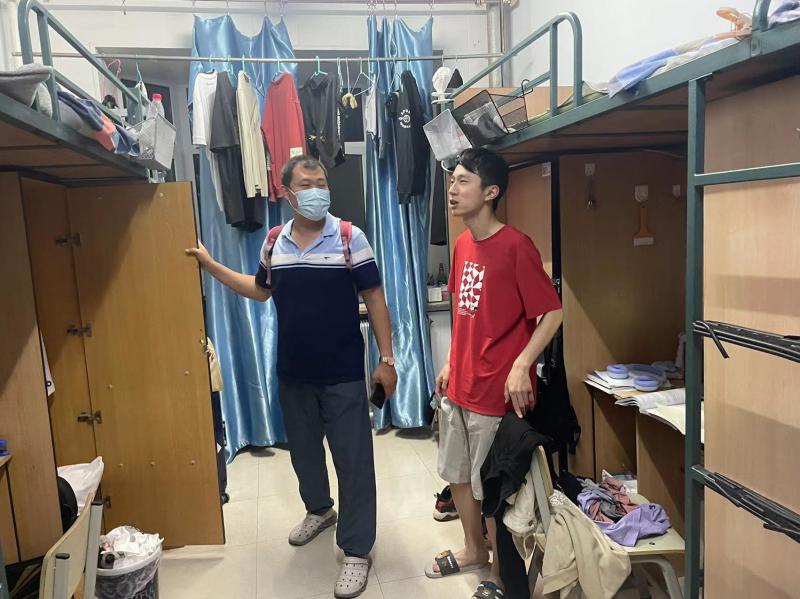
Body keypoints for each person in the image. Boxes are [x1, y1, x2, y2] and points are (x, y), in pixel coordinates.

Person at [186, 155, 397, 599]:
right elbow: (260, 291)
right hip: (293, 372)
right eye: (306, 184)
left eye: (322, 182)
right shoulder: (274, 241)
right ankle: (319, 510)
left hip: (342, 374)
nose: (317, 190)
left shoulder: (349, 237)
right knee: (303, 455)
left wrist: (387, 359)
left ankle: (356, 549)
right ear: (287, 193)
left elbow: (375, 298)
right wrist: (211, 265)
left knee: (354, 463)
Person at [425, 148, 563, 599]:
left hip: (494, 392)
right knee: (458, 476)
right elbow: (464, 312)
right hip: (460, 385)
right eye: (452, 180)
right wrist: (450, 361)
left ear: (490, 192)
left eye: (463, 180)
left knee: (493, 488)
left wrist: (522, 364)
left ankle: (501, 574)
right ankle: (473, 550)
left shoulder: (516, 246)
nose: (452, 189)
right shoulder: (464, 244)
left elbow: (553, 313)